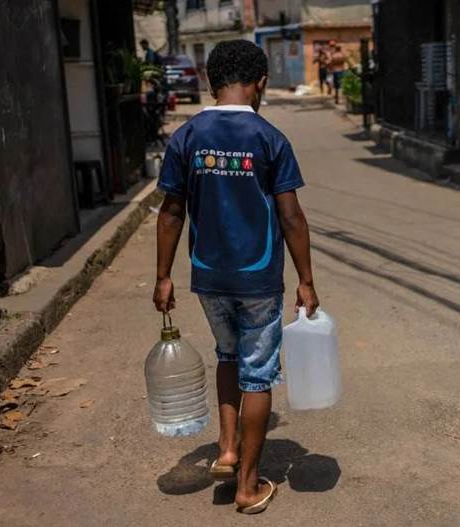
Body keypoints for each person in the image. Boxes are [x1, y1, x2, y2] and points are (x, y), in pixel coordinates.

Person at [153, 39, 319, 515]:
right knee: (259, 375)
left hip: (208, 277)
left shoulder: (186, 137)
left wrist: (163, 277)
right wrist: (306, 280)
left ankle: (227, 451)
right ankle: (247, 485)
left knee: (227, 356)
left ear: (209, 81)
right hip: (259, 280)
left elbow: (170, 213)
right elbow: (292, 218)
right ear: (261, 83)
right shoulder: (270, 139)